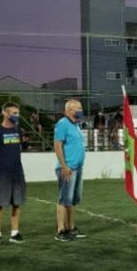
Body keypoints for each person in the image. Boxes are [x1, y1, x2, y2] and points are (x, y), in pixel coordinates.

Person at [0, 102, 27, 245]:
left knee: (17, 202)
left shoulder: (18, 131)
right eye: (14, 113)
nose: (17, 115)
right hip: (2, 174)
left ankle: (14, 233)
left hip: (17, 172)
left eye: (17, 113)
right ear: (5, 113)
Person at [54, 99, 87, 240]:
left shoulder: (76, 125)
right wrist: (64, 166)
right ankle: (61, 231)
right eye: (77, 108)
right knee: (64, 199)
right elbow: (57, 146)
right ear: (68, 111)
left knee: (73, 200)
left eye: (80, 107)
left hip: (77, 168)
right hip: (68, 168)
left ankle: (71, 227)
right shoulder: (63, 124)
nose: (80, 110)